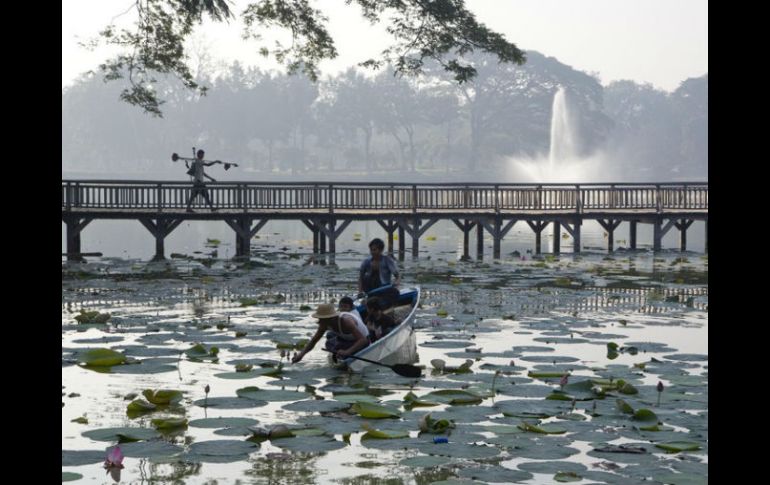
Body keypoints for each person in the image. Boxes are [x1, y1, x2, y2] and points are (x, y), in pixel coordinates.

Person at [291, 303, 369, 363]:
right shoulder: (324, 324)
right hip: (346, 340)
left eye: (322, 319)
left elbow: (363, 340)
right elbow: (314, 341)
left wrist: (347, 351)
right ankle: (341, 355)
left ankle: (345, 354)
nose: (319, 322)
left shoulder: (346, 321)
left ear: (330, 318)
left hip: (362, 340)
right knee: (329, 343)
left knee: (342, 349)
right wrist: (301, 355)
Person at [358, 238, 401, 307]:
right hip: (370, 290)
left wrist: (396, 283)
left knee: (395, 293)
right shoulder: (366, 261)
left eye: (374, 250)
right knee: (365, 277)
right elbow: (360, 278)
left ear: (381, 250)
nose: (372, 252)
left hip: (384, 288)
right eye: (371, 250)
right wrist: (360, 292)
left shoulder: (387, 260)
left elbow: (397, 276)